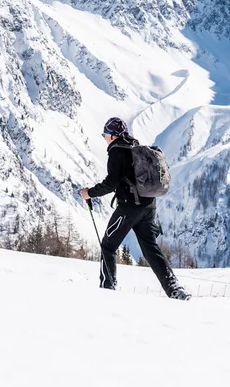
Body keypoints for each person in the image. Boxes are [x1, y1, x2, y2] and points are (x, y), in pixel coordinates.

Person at [80, 117, 190, 300]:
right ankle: (174, 289)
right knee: (150, 249)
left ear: (113, 135)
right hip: (149, 205)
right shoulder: (135, 146)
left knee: (108, 245)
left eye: (105, 135)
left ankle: (108, 289)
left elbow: (111, 183)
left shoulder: (116, 151)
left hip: (129, 208)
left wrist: (89, 193)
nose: (104, 138)